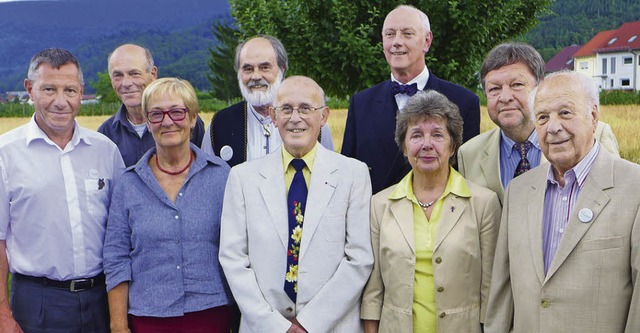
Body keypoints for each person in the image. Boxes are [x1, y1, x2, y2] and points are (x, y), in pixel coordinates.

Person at [485, 71, 640, 332]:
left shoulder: (634, 186)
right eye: (543, 117)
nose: (553, 127)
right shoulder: (518, 191)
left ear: (593, 116)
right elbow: (503, 293)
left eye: (565, 113)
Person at [219, 76, 373, 333]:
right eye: (286, 109)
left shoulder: (353, 174)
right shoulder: (243, 178)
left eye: (305, 109)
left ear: (323, 116)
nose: (295, 118)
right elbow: (233, 258)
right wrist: (276, 326)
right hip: (264, 327)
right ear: (273, 116)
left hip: (332, 326)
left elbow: (359, 258)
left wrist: (309, 324)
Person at [0, 48, 125, 332]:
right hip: (37, 302)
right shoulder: (5, 154)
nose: (60, 101)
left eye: (69, 90)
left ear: (81, 91)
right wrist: (2, 315)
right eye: (49, 89)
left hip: (101, 298)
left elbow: (121, 231)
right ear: (29, 89)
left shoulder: (105, 151)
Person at [361, 90, 501, 333]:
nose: (426, 144)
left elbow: (491, 290)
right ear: (404, 147)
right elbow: (373, 292)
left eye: (437, 134)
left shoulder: (483, 203)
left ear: (453, 145)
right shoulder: (379, 205)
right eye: (416, 135)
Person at [103, 78, 232, 333]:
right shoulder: (129, 184)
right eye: (156, 114)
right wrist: (118, 324)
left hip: (211, 314)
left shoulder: (222, 176)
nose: (167, 121)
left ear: (193, 118)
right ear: (148, 122)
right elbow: (116, 257)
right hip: (148, 318)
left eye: (177, 111)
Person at [342, 5, 480, 193]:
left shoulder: (464, 102)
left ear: (427, 41)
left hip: (441, 218)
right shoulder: (360, 103)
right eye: (390, 34)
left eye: (407, 33)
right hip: (376, 219)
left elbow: (469, 177)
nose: (396, 42)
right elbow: (348, 175)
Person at [457, 43, 620, 204]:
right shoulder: (469, 153)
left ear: (540, 87)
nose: (505, 97)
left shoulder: (595, 134)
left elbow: (615, 202)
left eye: (517, 85)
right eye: (494, 89)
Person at [202, 35, 333, 167]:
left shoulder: (313, 120)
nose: (256, 76)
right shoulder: (220, 124)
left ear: (282, 69)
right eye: (248, 69)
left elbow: (329, 174)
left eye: (265, 67)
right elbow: (208, 181)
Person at [98, 44, 206, 166]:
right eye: (118, 75)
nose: (126, 83)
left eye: (134, 73)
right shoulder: (105, 134)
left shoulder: (185, 123)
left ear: (153, 74)